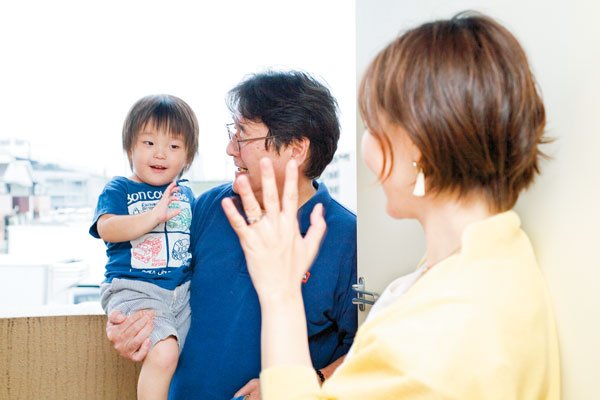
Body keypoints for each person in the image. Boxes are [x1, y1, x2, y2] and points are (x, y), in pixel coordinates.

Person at [222, 12, 561, 399]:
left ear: (419, 147)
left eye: (374, 128)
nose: (366, 150)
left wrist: (280, 294)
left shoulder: (449, 324)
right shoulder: (494, 259)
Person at [105, 71, 358, 400]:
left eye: (243, 136)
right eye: (232, 132)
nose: (229, 148)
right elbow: (149, 278)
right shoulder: (210, 205)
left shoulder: (346, 237)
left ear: (296, 149)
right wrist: (125, 320)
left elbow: (367, 350)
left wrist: (309, 380)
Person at [90, 94, 199, 400]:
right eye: (149, 143)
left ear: (187, 157)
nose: (160, 154)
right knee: (164, 353)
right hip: (135, 289)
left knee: (189, 356)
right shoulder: (120, 188)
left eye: (174, 146)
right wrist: (153, 217)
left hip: (180, 294)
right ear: (130, 147)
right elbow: (107, 228)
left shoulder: (185, 194)